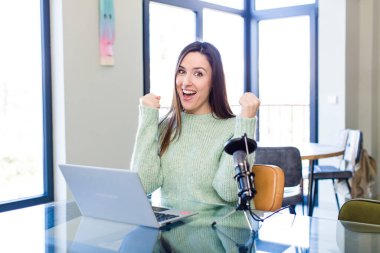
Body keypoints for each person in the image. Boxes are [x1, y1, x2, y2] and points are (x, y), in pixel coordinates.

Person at [131, 41, 260, 205]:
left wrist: (246, 121)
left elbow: (229, 192)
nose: (185, 82)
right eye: (181, 71)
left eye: (198, 74)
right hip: (171, 228)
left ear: (214, 81)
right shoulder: (166, 127)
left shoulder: (233, 127)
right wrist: (147, 119)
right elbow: (142, 186)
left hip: (221, 229)